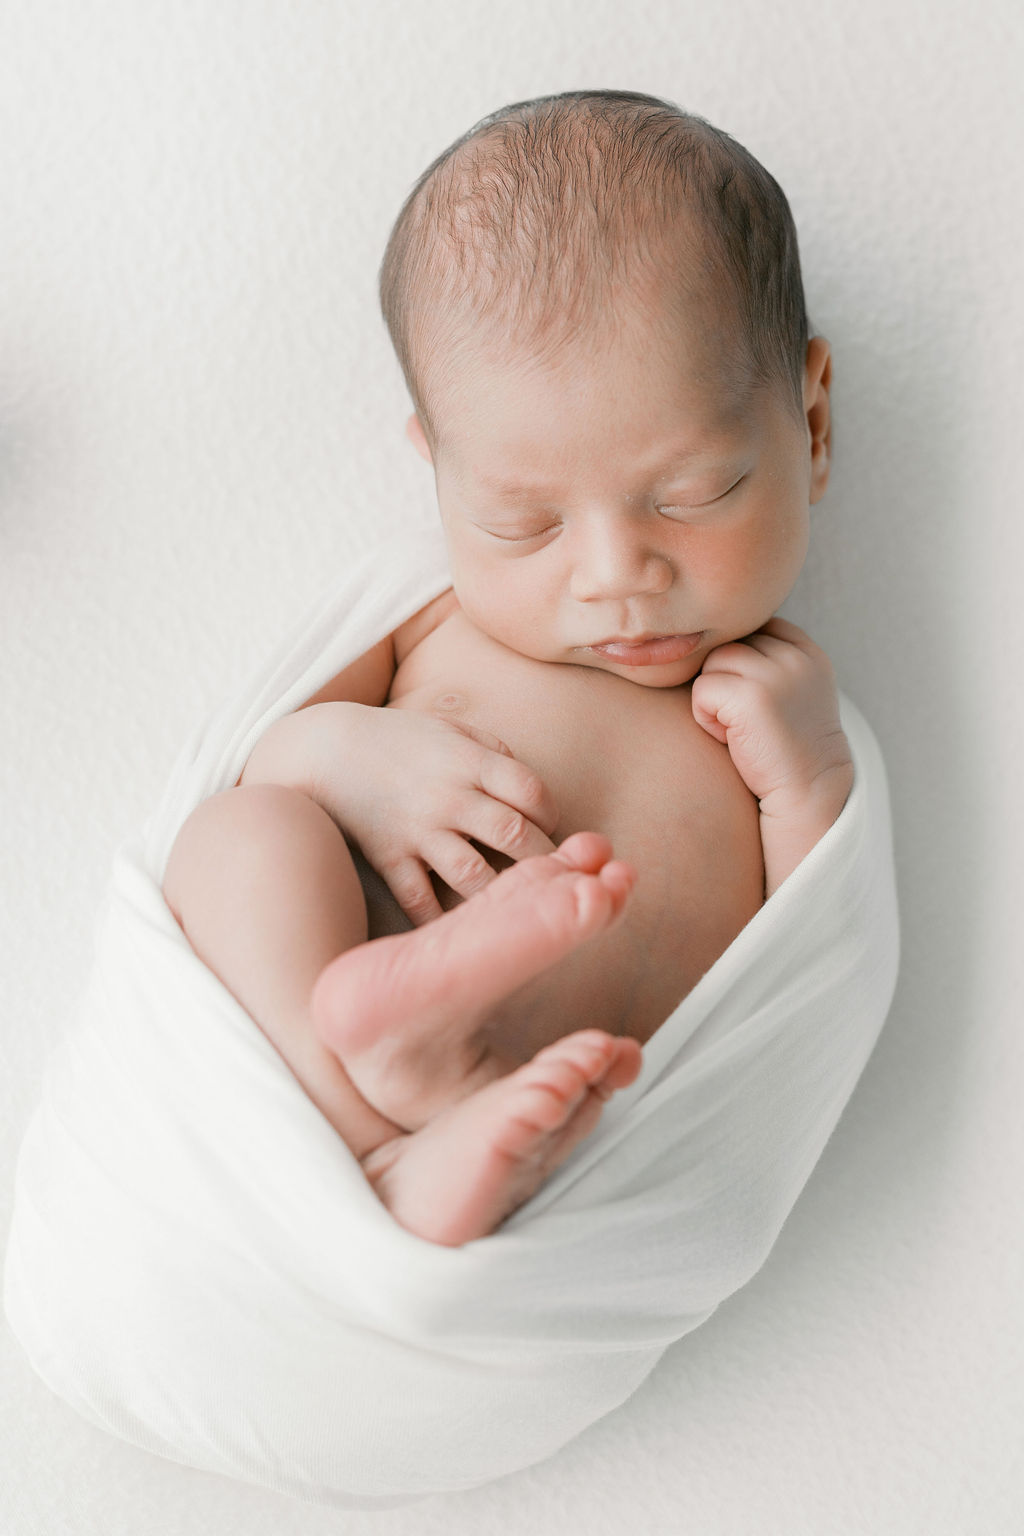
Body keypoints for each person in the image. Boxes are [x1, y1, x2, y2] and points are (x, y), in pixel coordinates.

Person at [161, 89, 851, 1249]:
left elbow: (808, 962)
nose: (613, 575)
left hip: (574, 1125)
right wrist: (349, 756)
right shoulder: (427, 614)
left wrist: (811, 782)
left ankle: (442, 1135)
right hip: (354, 1000)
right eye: (522, 522)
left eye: (692, 496)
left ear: (813, 423)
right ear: (439, 470)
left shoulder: (781, 706)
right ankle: (379, 1138)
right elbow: (264, 758)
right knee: (238, 842)